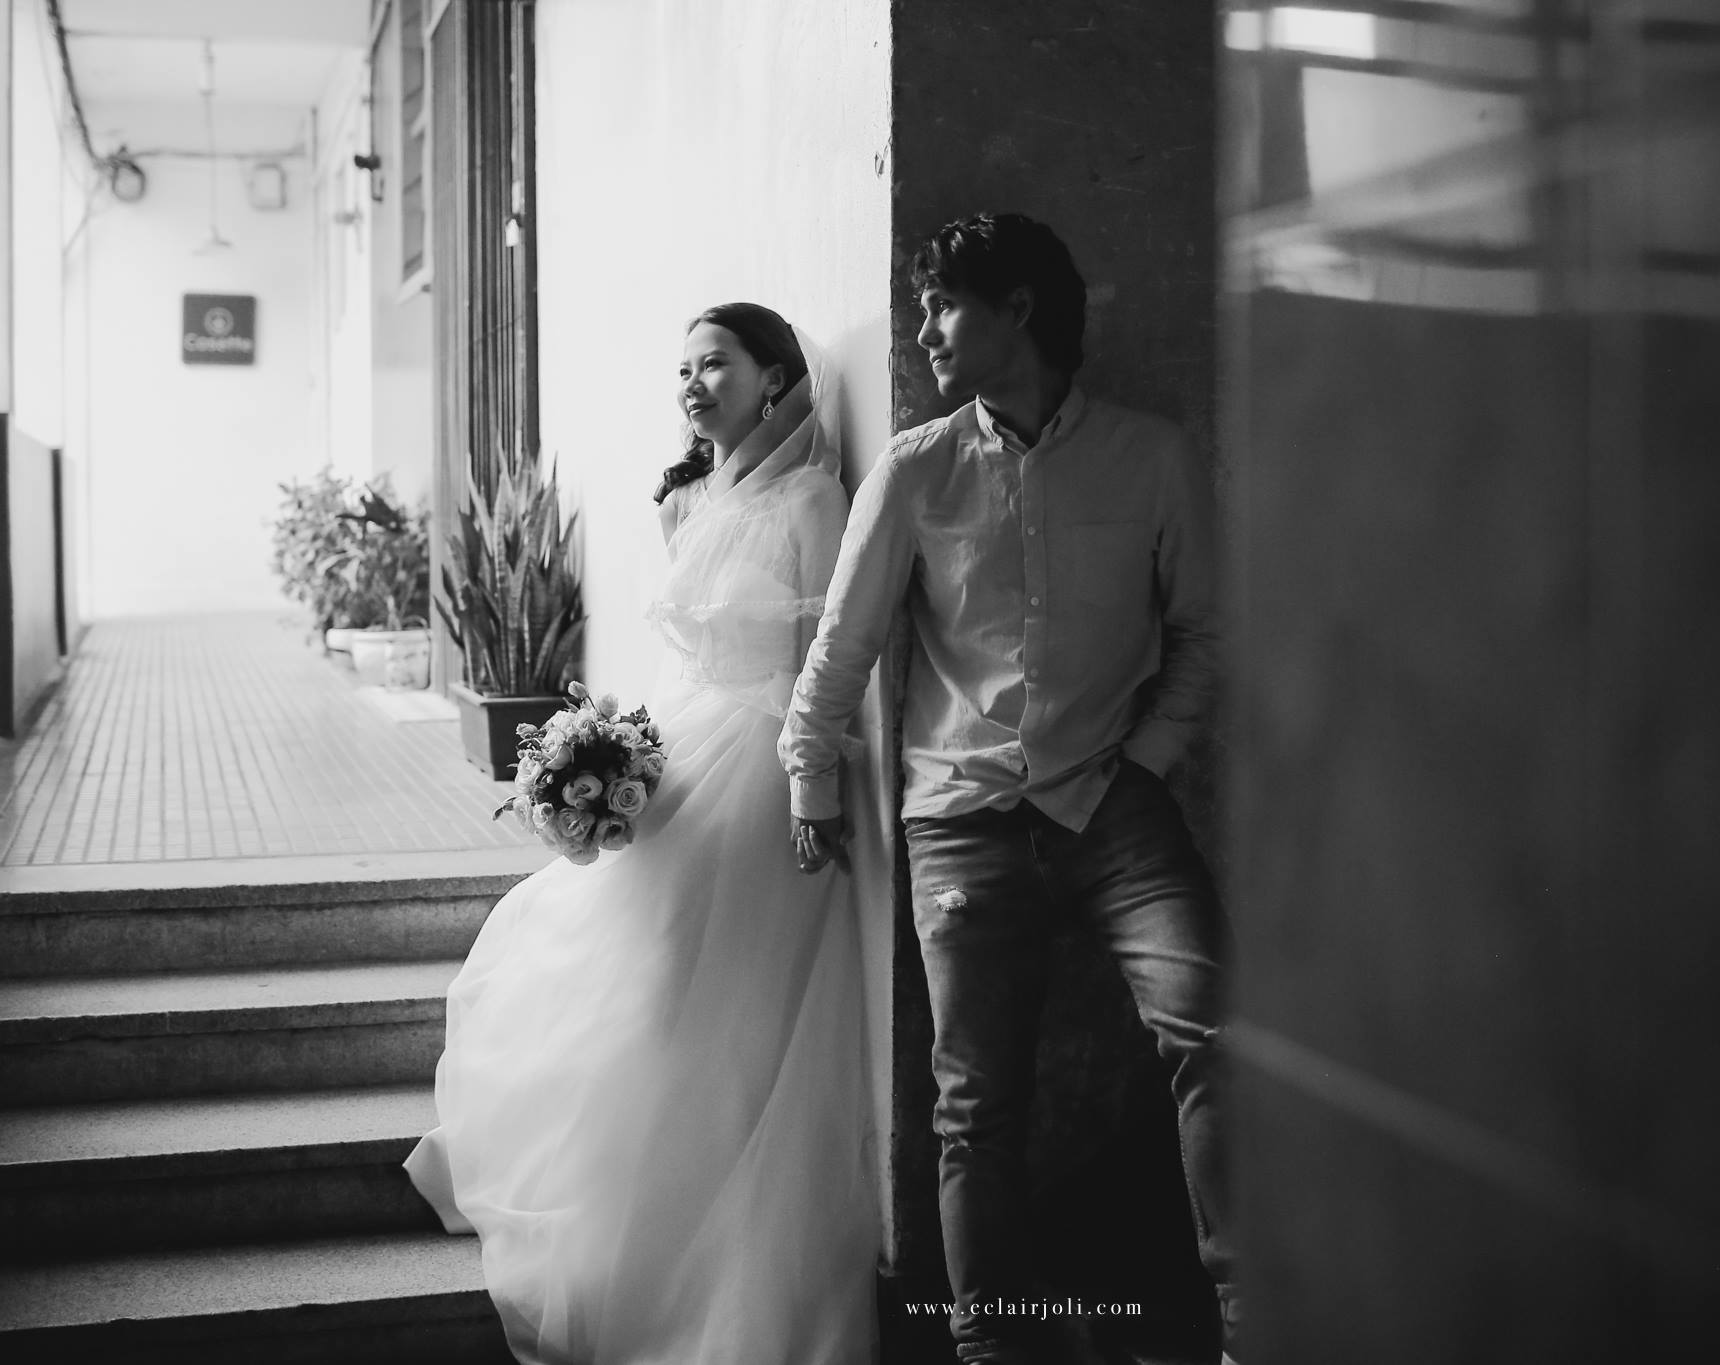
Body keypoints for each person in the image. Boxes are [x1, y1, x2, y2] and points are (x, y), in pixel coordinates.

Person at [780, 215, 1238, 1365]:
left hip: (1114, 807)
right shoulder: (916, 467)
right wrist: (809, 774)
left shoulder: (1151, 457)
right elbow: (844, 641)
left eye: (945, 306)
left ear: (1018, 309)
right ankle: (991, 1346)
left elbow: (1205, 632)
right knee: (973, 1105)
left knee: (1217, 1031)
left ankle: (1250, 1330)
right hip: (961, 820)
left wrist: (1146, 763)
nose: (924, 332)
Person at [406, 303, 880, 1365]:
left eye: (715, 364)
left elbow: (829, 659)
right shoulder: (689, 500)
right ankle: (621, 1196)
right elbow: (679, 655)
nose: (692, 384)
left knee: (728, 1001)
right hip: (683, 751)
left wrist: (811, 783)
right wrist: (614, 753)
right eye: (683, 369)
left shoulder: (815, 500)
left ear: (773, 378)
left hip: (763, 769)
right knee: (633, 973)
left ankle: (715, 1247)